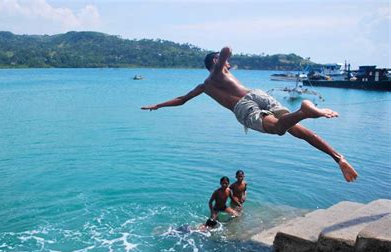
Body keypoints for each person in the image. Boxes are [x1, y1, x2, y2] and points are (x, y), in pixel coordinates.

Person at [141, 47, 358, 182]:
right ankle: (338, 158)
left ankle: (304, 111)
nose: (228, 63)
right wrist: (224, 53)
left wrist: (158, 106)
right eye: (224, 61)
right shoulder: (217, 73)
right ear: (215, 63)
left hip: (244, 107)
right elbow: (226, 51)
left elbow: (181, 100)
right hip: (257, 94)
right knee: (299, 132)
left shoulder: (205, 85)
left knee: (278, 128)